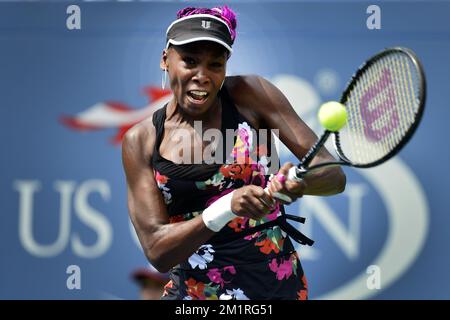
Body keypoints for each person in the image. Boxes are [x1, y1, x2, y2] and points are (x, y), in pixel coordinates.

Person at [122, 5, 346, 300]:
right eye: (189, 61)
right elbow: (157, 251)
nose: (202, 75)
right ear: (166, 60)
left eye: (215, 64)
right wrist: (226, 207)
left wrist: (299, 183)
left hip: (277, 289)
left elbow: (333, 175)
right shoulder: (141, 140)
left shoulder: (250, 95)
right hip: (193, 296)